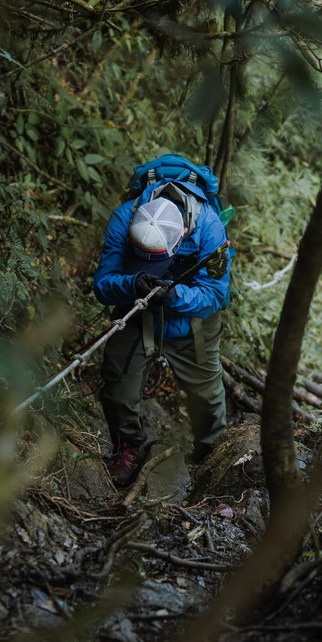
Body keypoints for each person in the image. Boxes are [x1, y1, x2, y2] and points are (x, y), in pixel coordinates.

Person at [92, 171, 231, 486]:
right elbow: (103, 284)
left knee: (208, 398)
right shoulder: (123, 218)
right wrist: (132, 283)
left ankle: (209, 456)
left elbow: (215, 294)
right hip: (137, 314)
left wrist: (176, 296)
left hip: (194, 321)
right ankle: (127, 447)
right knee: (118, 385)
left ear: (183, 233)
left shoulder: (210, 228)